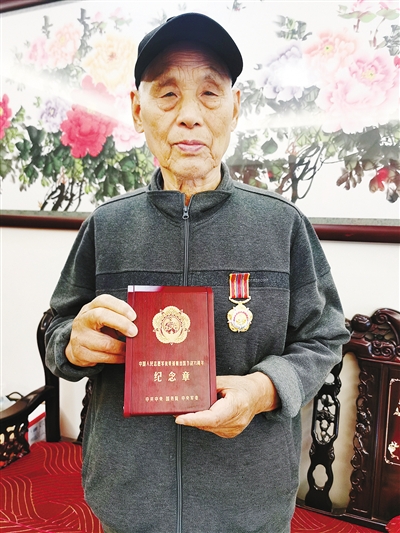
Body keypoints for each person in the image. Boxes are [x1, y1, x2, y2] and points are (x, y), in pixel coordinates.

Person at [45, 12, 350, 533]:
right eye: (167, 94)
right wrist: (72, 343)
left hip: (248, 505)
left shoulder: (282, 225)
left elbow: (325, 337)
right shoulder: (107, 225)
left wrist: (263, 389)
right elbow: (56, 328)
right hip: (128, 500)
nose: (189, 115)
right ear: (137, 110)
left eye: (209, 93)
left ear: (235, 107)